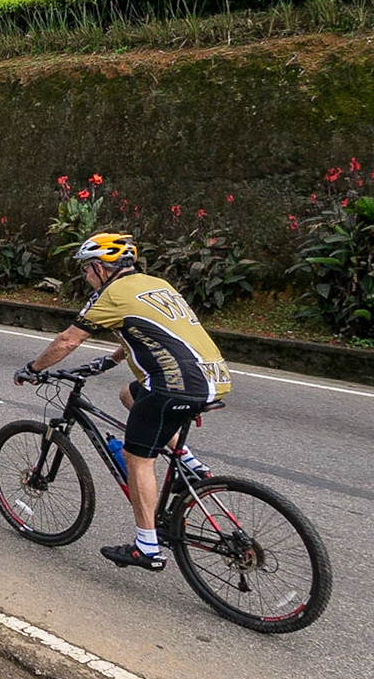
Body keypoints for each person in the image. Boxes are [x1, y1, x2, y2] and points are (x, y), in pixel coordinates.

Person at [14, 232, 228, 572]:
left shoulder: (111, 294)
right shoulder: (154, 284)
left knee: (137, 457)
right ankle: (187, 461)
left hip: (175, 385)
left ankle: (146, 547)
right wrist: (109, 362)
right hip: (213, 378)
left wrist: (32, 369)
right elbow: (146, 331)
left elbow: (68, 340)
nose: (85, 276)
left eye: (86, 270)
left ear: (100, 268)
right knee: (129, 394)